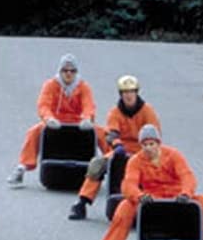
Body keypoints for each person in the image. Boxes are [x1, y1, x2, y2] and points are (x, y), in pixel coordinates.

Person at [94, 124, 203, 240]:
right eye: (144, 145)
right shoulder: (135, 161)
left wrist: (186, 193)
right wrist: (139, 196)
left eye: (151, 144)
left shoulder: (174, 155)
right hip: (151, 198)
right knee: (124, 207)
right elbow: (128, 184)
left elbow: (187, 176)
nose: (148, 148)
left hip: (178, 196)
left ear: (158, 144)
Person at [68, 74, 161, 220]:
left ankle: (160, 203)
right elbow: (111, 133)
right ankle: (81, 203)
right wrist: (118, 146)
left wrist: (147, 149)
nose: (128, 95)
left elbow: (154, 133)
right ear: (121, 94)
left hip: (144, 149)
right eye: (125, 92)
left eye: (131, 92)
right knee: (97, 164)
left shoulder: (147, 111)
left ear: (136, 93)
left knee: (162, 167)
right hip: (121, 149)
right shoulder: (115, 112)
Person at [6, 53, 107, 187]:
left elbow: (89, 105)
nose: (68, 74)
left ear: (76, 72)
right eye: (65, 70)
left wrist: (87, 118)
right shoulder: (50, 85)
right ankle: (22, 168)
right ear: (60, 71)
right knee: (34, 132)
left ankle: (114, 165)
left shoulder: (83, 87)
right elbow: (43, 105)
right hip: (56, 121)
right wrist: (48, 118)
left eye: (72, 71)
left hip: (78, 122)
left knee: (102, 133)